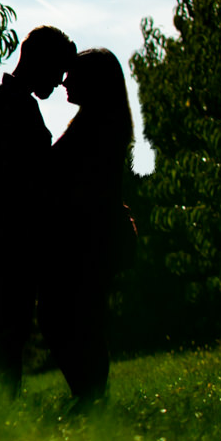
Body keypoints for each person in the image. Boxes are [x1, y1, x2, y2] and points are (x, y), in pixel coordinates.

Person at [0, 25, 75, 396]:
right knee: (11, 319)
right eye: (56, 71)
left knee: (11, 317)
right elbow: (29, 174)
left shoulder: (9, 100)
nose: (58, 80)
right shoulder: (13, 104)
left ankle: (0, 399)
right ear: (38, 61)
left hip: (11, 225)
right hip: (16, 228)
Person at [45, 47, 136, 407]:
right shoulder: (100, 122)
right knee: (81, 317)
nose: (65, 81)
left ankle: (90, 396)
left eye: (75, 75)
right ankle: (90, 396)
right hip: (95, 235)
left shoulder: (96, 126)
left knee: (67, 316)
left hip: (89, 238)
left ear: (92, 83)